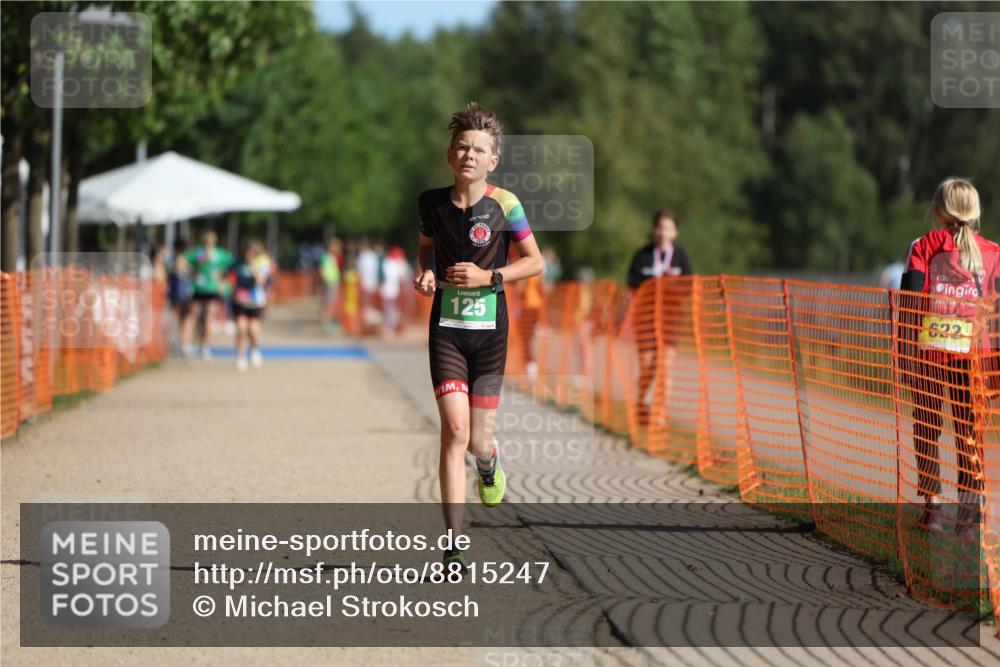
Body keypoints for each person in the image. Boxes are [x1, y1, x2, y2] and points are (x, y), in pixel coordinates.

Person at [413, 102, 544, 571]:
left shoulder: (505, 204)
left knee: (477, 442)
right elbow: (427, 250)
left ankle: (489, 464)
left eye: (480, 149)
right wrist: (426, 275)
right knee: (453, 431)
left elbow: (536, 262)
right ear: (450, 156)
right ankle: (453, 546)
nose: (470, 154)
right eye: (463, 147)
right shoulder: (430, 202)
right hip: (447, 331)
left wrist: (490, 278)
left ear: (493, 161)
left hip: (489, 336)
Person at [899, 177, 997, 542]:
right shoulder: (994, 253)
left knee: (926, 429)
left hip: (931, 353)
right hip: (976, 358)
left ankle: (933, 511)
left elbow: (910, 301)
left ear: (938, 210)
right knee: (970, 437)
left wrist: (904, 354)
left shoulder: (923, 246)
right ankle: (969, 523)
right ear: (975, 213)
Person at [626, 210, 693, 426]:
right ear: (654, 230)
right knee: (648, 366)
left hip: (671, 319)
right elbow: (632, 285)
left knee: (666, 366)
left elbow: (689, 287)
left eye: (668, 228)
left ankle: (660, 414)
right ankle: (642, 403)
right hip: (645, 318)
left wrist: (671, 286)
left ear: (676, 232)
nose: (664, 232)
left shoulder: (681, 257)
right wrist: (652, 285)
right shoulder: (642, 256)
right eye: (660, 227)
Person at [180, 231, 234, 359]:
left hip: (210, 289)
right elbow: (181, 261)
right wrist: (191, 272)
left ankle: (202, 346)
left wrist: (221, 278)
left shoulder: (217, 254)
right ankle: (190, 345)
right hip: (201, 288)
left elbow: (232, 266)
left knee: (204, 317)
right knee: (196, 316)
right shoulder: (201, 253)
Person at [229, 240, 272, 371]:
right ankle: (241, 356)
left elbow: (262, 281)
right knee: (241, 328)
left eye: (253, 253)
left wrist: (254, 269)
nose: (250, 255)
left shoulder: (262, 264)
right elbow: (229, 275)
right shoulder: (238, 263)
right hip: (240, 301)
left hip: (255, 301)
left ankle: (255, 349)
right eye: (248, 252)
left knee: (253, 329)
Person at [380, 245, 411, 335]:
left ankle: (391, 327)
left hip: (391, 291)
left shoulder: (387, 262)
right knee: (393, 310)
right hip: (394, 291)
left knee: (389, 309)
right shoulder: (399, 263)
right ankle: (391, 327)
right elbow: (403, 278)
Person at [320, 238, 343, 332]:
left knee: (331, 303)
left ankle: (327, 322)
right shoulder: (326, 257)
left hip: (333, 282)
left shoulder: (334, 257)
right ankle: (326, 324)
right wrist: (326, 282)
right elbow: (323, 270)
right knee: (328, 304)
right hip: (330, 283)